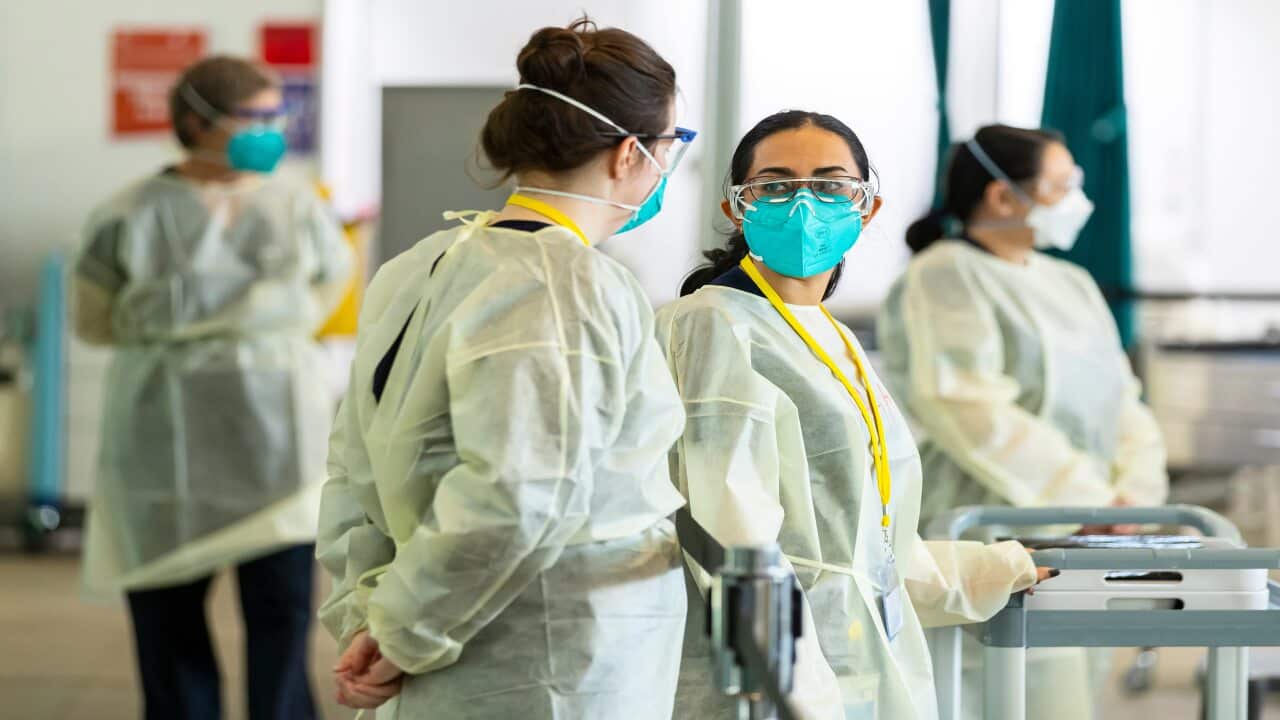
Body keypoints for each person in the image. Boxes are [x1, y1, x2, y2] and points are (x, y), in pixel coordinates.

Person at [315, 19, 695, 719]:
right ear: (629, 153)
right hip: (546, 657)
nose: (670, 164)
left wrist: (372, 613)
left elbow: (354, 470)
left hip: (445, 626)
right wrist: (402, 632)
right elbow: (520, 494)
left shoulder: (420, 266)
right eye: (673, 144)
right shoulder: (566, 285)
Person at [659, 110, 1052, 720]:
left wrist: (998, 566)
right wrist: (799, 691)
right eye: (777, 184)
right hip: (771, 681)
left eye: (830, 184)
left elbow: (868, 548)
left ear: (866, 207)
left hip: (851, 662)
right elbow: (729, 538)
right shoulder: (713, 323)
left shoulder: (835, 340)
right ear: (738, 206)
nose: (804, 204)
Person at [73, 55, 352, 720]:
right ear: (196, 121)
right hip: (165, 443)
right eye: (255, 118)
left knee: (282, 617)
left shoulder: (298, 203)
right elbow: (94, 320)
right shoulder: (128, 214)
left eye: (276, 115)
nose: (273, 131)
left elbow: (330, 287)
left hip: (277, 446)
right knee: (168, 625)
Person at [877, 124, 1169, 720]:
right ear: (1002, 197)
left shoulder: (1072, 282)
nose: (1079, 202)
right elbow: (968, 406)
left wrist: (1134, 500)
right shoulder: (945, 274)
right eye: (1062, 187)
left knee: (1068, 686)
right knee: (997, 690)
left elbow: (1123, 400)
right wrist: (1088, 499)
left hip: (1091, 531)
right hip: (992, 526)